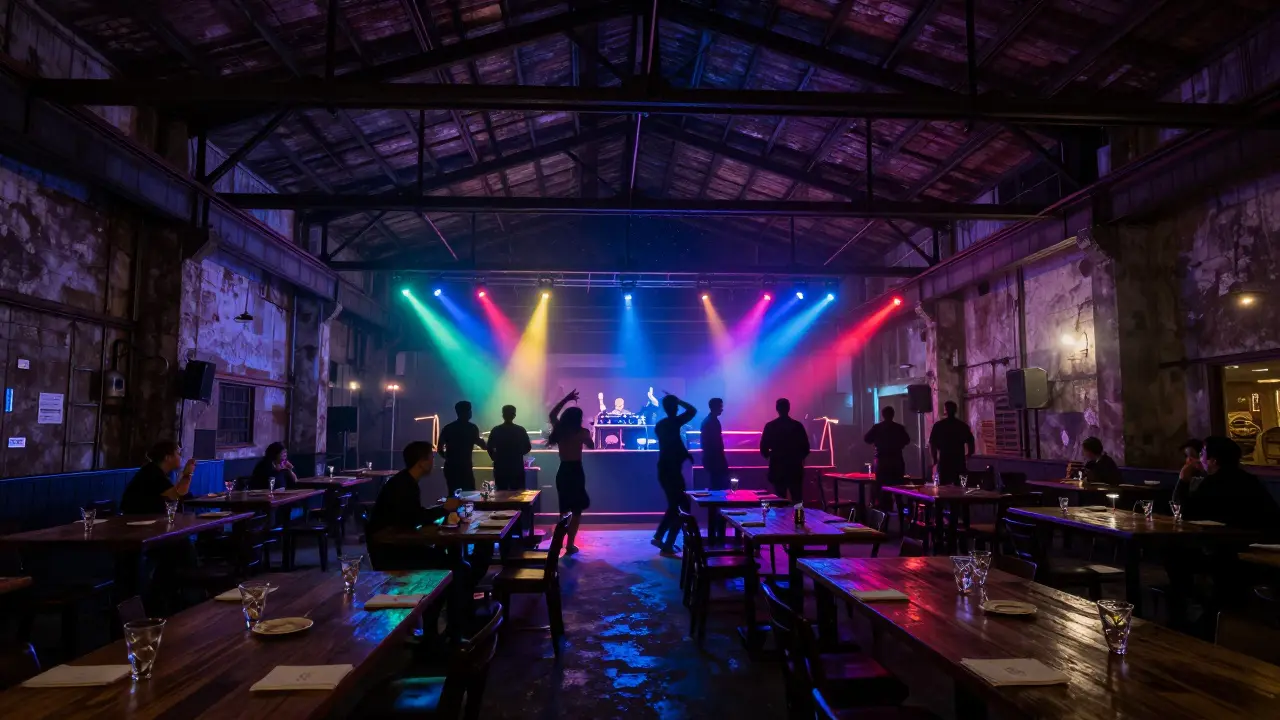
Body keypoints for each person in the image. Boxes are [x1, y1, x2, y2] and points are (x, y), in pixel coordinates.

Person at [1164, 436, 1280, 635]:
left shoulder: (1214, 482)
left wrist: (1183, 479)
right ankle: (1208, 612)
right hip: (1258, 546)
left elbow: (1183, 512)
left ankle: (1190, 619)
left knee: (1174, 555)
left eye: (1202, 454)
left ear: (1213, 460)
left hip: (1235, 552)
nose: (1199, 459)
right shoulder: (1250, 480)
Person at [366, 441, 448, 571]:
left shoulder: (404, 480)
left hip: (393, 544)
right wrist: (444, 509)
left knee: (443, 556)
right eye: (431, 457)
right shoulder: (404, 485)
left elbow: (413, 515)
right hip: (391, 550)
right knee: (446, 562)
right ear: (421, 462)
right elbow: (414, 518)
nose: (433, 461)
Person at [549, 389, 595, 554]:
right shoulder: (582, 433)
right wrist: (590, 434)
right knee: (577, 510)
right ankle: (569, 544)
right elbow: (592, 446)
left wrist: (566, 399)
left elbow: (552, 414)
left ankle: (558, 543)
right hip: (576, 471)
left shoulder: (560, 430)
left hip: (563, 470)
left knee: (564, 510)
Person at [653, 394, 697, 556]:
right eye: (676, 406)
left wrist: (684, 453)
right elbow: (692, 411)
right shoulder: (674, 422)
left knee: (675, 506)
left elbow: (674, 442)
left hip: (664, 469)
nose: (678, 409)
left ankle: (661, 538)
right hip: (672, 470)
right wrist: (680, 400)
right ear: (673, 407)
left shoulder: (661, 425)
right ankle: (666, 542)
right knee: (682, 506)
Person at [121, 440, 195, 515]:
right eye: (178, 454)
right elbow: (176, 495)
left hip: (147, 518)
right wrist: (187, 474)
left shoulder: (154, 469)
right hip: (138, 519)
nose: (180, 457)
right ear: (167, 457)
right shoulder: (152, 473)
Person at [761, 398, 811, 502]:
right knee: (797, 500)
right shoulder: (797, 426)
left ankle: (782, 513)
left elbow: (763, 447)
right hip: (795, 468)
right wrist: (798, 458)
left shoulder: (771, 426)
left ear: (777, 409)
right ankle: (798, 514)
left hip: (777, 467)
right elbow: (806, 447)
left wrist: (772, 456)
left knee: (779, 501)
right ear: (789, 408)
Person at [864, 406, 910, 507]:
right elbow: (907, 441)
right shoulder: (899, 428)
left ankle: (884, 511)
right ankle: (900, 511)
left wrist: (877, 442)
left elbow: (866, 439)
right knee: (898, 490)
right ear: (893, 415)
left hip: (882, 462)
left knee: (882, 489)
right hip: (896, 462)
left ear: (883, 415)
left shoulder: (877, 427)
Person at [438, 401, 487, 494]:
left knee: (453, 493)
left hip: (451, 467)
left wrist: (449, 458)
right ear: (467, 412)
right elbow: (483, 446)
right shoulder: (472, 428)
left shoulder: (448, 428)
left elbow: (439, 448)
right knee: (469, 493)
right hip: (465, 467)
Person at [928, 401, 974, 485]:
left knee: (943, 486)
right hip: (959, 460)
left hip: (944, 460)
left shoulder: (939, 426)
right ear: (955, 410)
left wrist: (934, 459)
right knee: (960, 486)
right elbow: (971, 441)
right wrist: (969, 454)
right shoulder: (962, 426)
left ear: (945, 410)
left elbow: (932, 443)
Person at [488, 405, 532, 491]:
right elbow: (528, 447)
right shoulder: (520, 430)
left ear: (503, 415)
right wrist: (517, 454)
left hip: (500, 467)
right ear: (514, 415)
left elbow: (489, 447)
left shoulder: (496, 430)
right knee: (518, 493)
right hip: (516, 466)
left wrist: (495, 458)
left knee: (501, 493)